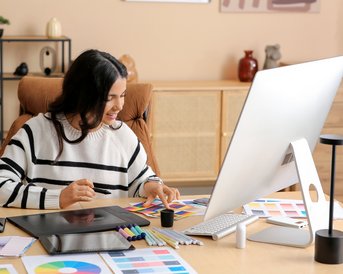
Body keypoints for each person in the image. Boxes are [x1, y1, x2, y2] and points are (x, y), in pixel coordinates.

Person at [0, 49, 180, 210]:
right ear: (83, 95)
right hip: (50, 238)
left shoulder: (123, 135)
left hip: (112, 238)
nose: (119, 106)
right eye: (110, 98)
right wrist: (59, 198)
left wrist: (150, 185)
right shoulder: (36, 131)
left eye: (123, 96)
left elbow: (141, 179)